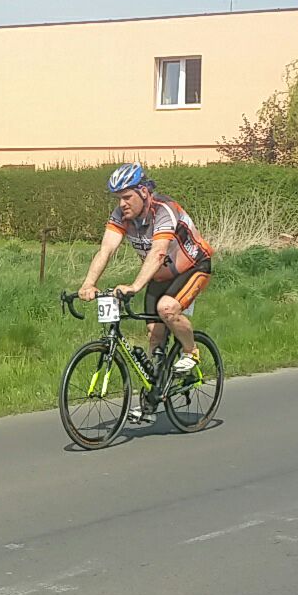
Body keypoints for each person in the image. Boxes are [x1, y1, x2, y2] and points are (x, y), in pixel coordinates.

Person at [76, 163, 214, 421]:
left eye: (127, 197)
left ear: (143, 191)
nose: (122, 204)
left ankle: (191, 351)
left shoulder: (164, 210)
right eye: (118, 198)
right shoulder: (121, 215)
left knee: (167, 309)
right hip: (161, 275)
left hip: (193, 267)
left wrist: (134, 286)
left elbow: (158, 252)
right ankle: (153, 398)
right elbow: (106, 249)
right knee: (154, 333)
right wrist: (88, 283)